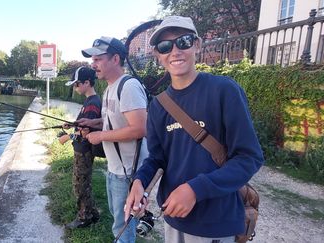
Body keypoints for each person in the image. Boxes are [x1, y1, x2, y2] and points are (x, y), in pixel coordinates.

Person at [125, 16, 265, 242]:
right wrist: (139, 182)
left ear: (197, 45)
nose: (175, 51)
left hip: (216, 223)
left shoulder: (224, 91)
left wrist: (195, 189)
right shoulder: (158, 105)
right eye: (164, 46)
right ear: (158, 55)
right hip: (174, 220)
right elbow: (157, 158)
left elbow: (249, 158)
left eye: (184, 41)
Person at [77, 36, 149, 242]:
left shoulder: (128, 87)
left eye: (98, 59)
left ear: (115, 59)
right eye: (93, 60)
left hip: (128, 171)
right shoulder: (110, 88)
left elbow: (139, 128)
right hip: (116, 168)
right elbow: (116, 122)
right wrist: (95, 123)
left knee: (122, 224)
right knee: (120, 218)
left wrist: (100, 136)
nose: (93, 64)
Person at [58, 66, 101, 229]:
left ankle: (84, 218)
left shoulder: (92, 103)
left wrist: (66, 137)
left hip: (84, 151)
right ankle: (92, 213)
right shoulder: (90, 101)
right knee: (85, 183)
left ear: (87, 83)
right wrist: (72, 124)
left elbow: (86, 133)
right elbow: (83, 124)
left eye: (76, 84)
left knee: (80, 185)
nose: (74, 87)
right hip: (82, 150)